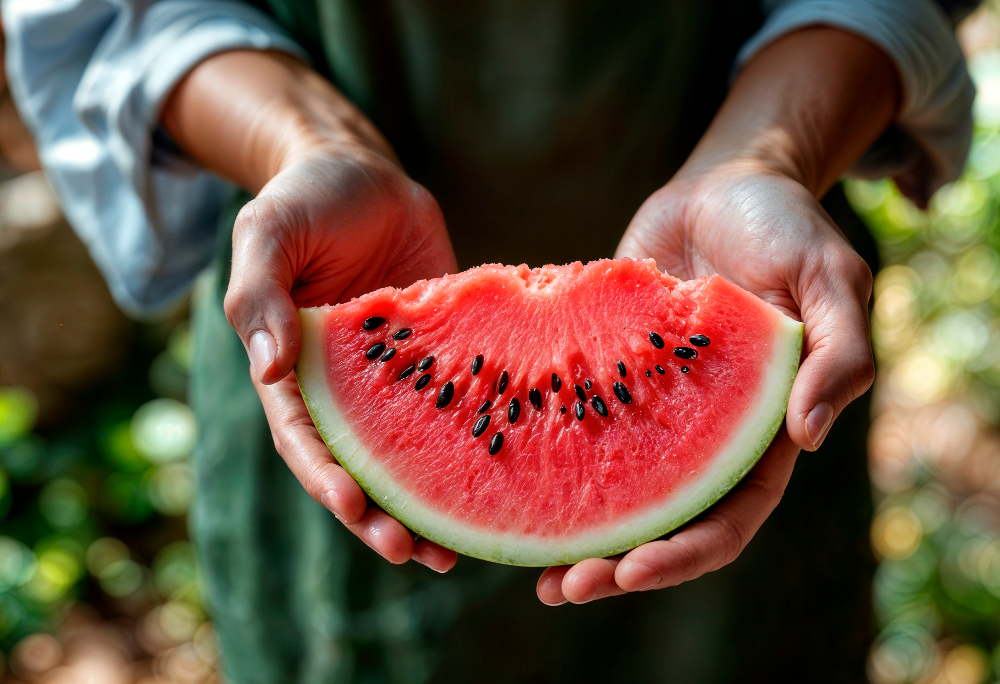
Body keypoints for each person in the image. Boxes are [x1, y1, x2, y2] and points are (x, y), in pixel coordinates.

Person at [4, 0, 977, 680]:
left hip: (754, 320)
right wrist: (307, 146)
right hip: (332, 292)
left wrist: (767, 155)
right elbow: (120, 16)